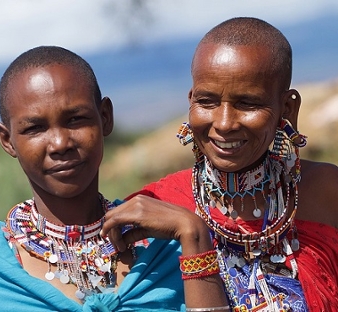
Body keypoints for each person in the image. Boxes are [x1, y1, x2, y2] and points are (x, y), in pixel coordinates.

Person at [0, 46, 228, 311]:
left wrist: (193, 234)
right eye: (35, 128)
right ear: (7, 141)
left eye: (75, 119)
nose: (60, 143)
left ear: (105, 117)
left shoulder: (165, 249)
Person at [103, 17, 338, 312]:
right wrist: (189, 230)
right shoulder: (153, 208)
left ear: (287, 108)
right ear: (191, 101)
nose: (224, 124)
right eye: (207, 101)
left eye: (248, 103)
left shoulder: (326, 191)